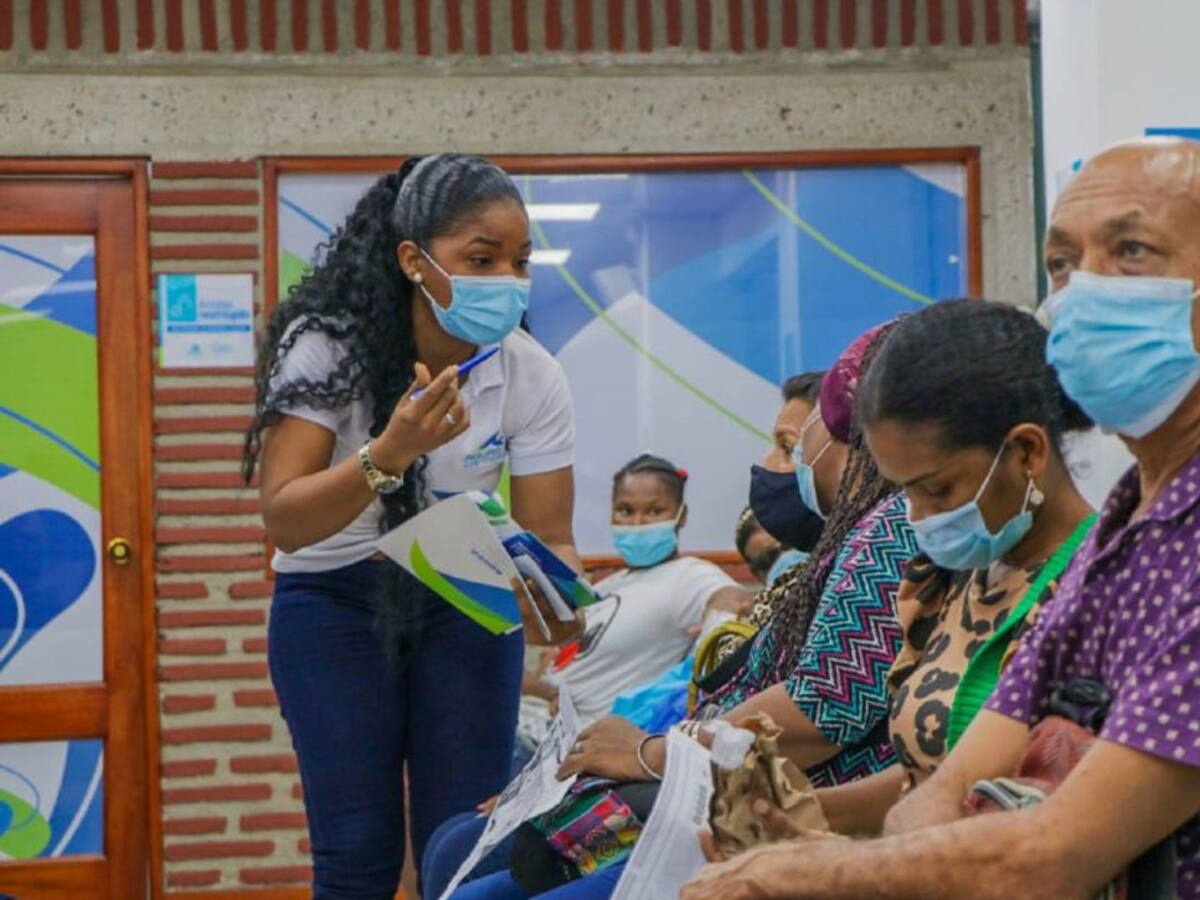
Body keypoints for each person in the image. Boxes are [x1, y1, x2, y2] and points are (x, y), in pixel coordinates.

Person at [682, 138, 1200, 899]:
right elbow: (952, 782)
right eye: (1062, 262)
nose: (1083, 290)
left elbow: (1053, 858)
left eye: (1130, 251)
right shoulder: (1129, 524)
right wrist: (825, 850)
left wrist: (813, 871)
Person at [446, 321, 920, 899]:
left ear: (851, 426)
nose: (775, 460)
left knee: (475, 881)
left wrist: (653, 754)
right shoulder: (842, 544)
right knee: (465, 856)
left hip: (749, 809)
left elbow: (823, 707)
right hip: (714, 787)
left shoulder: (889, 532)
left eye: (790, 443)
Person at [243, 154, 581, 899]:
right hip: (332, 601)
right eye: (481, 259)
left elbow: (550, 535)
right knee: (358, 853)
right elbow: (286, 518)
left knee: (462, 843)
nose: (507, 280)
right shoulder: (328, 349)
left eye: (520, 262)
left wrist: (552, 595)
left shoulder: (530, 372)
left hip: (463, 594)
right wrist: (390, 453)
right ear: (413, 261)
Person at [801, 299, 1096, 836]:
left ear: (1026, 452)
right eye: (904, 490)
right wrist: (805, 811)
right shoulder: (941, 584)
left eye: (937, 489)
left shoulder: (1102, 590)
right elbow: (926, 778)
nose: (918, 516)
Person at [533, 453, 751, 727]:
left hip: (582, 740)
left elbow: (735, 601)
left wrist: (718, 624)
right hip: (537, 724)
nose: (637, 523)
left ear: (681, 516)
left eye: (654, 511)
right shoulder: (604, 587)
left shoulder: (686, 576)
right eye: (625, 510)